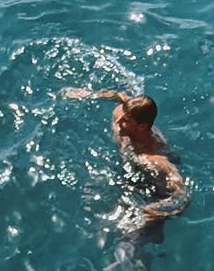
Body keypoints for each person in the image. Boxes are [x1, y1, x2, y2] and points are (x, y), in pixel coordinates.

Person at [61, 87, 189, 224]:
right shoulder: (128, 111)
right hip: (129, 171)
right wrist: (89, 94)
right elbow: (120, 96)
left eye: (126, 120)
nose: (118, 121)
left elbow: (182, 194)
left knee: (132, 232)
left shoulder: (154, 160)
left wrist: (155, 211)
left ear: (141, 126)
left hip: (151, 188)